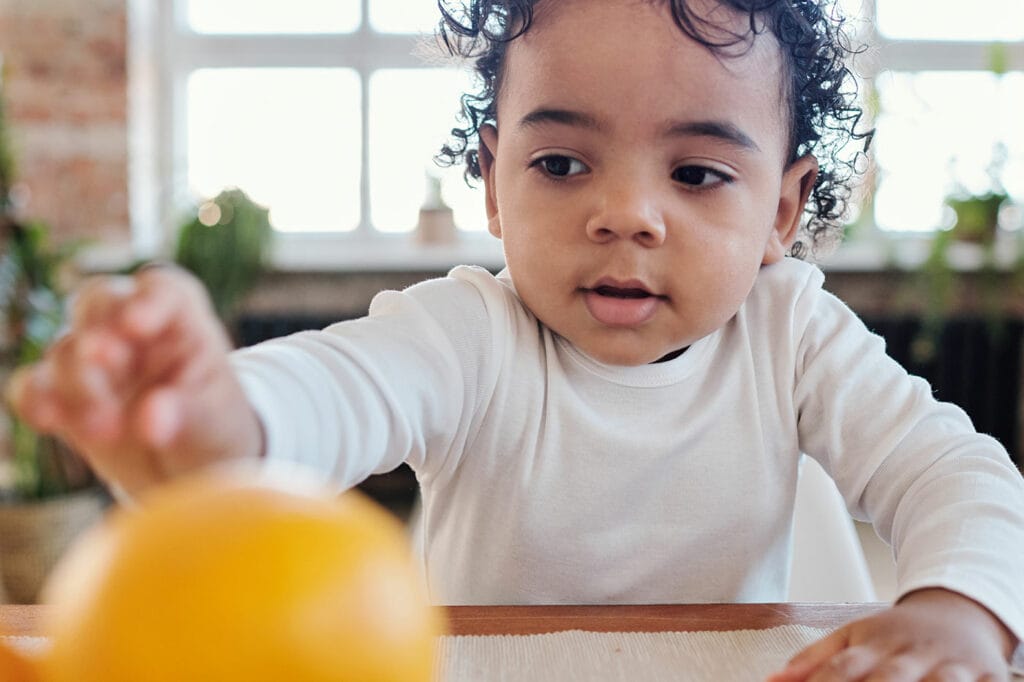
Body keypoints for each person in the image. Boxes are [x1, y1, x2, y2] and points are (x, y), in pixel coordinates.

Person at [7, 0, 1024, 679]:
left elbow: (959, 475)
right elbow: (320, 395)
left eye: (698, 174)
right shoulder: (467, 334)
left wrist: (956, 609)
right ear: (492, 181)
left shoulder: (793, 331)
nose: (625, 214)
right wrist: (203, 419)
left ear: (781, 211)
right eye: (562, 163)